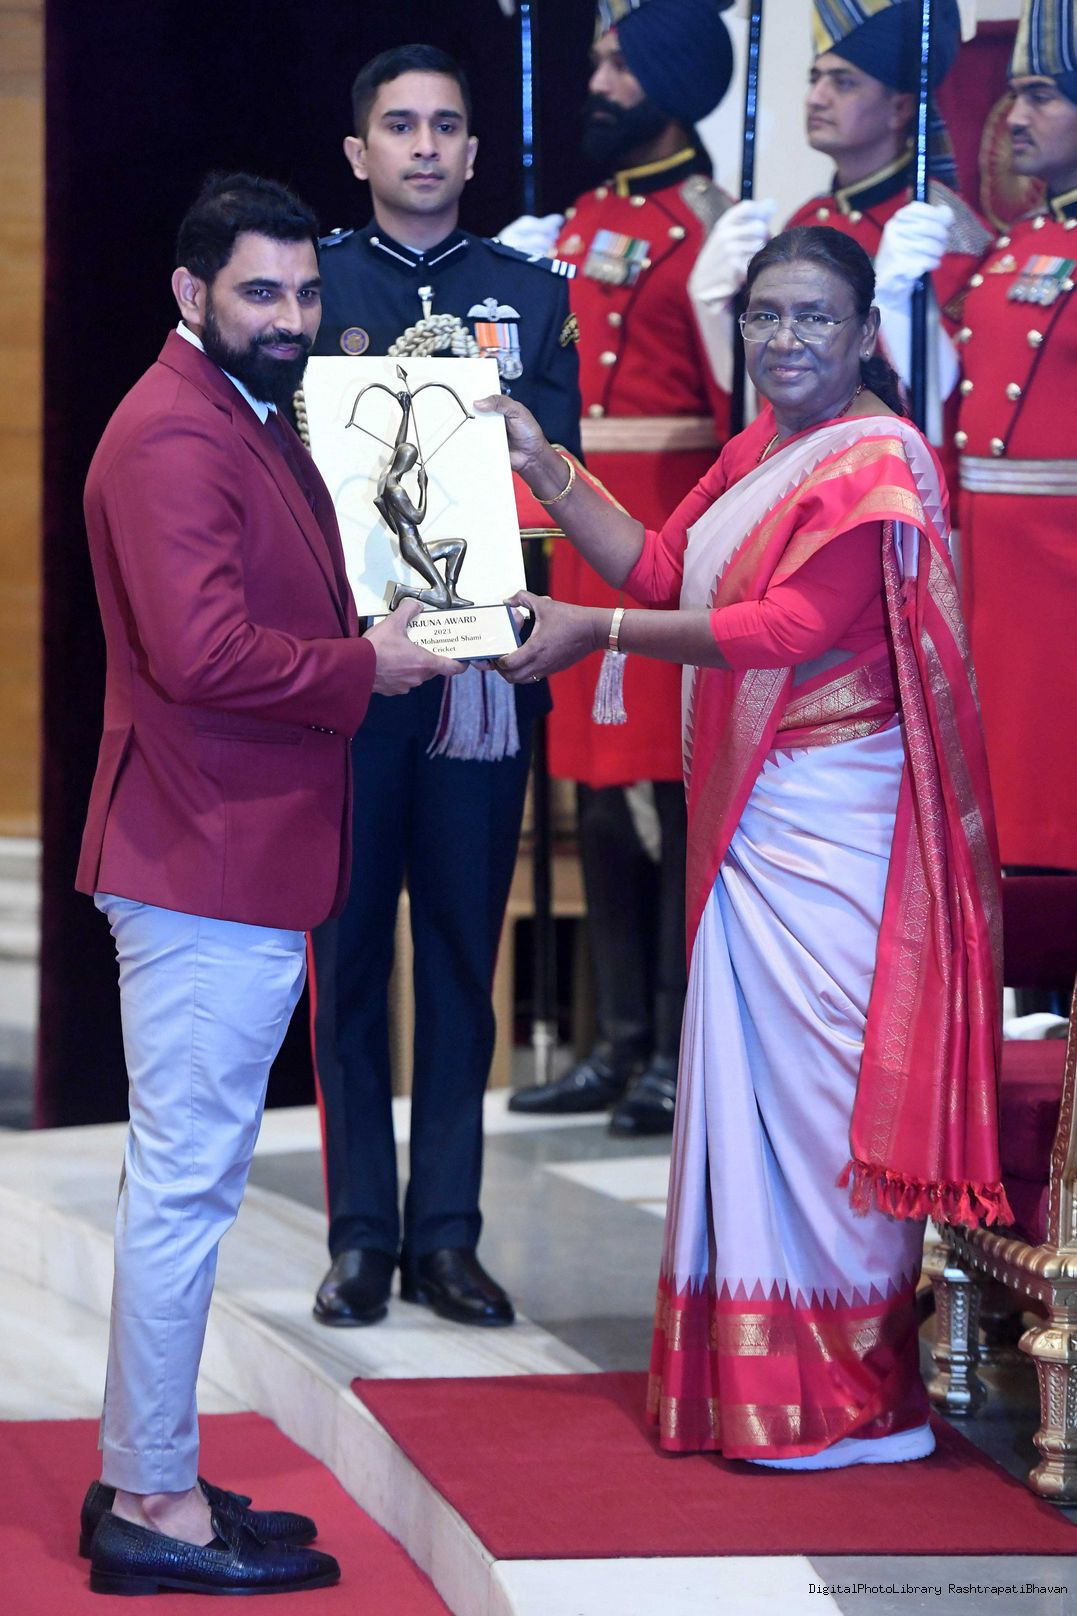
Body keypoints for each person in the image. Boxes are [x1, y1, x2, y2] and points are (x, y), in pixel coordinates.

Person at [482, 225, 1007, 1468]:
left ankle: (858, 1398)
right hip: (760, 814)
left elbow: (784, 629)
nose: (785, 339)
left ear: (866, 332)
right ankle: (765, 1389)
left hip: (837, 821)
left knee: (823, 1103)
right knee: (756, 1095)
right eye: (766, 315)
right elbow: (666, 568)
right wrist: (544, 463)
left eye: (814, 317)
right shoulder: (758, 447)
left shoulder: (878, 462)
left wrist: (595, 632)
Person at [74, 172, 456, 1595]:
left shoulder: (237, 408)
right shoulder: (177, 431)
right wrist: (371, 664)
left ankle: (151, 1469)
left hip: (221, 849)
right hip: (199, 856)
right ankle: (152, 1506)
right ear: (192, 293)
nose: (291, 317)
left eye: (304, 290)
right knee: (182, 1193)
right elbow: (202, 655)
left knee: (187, 1184)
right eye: (259, 292)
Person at [308, 44, 582, 1333]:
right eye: (400, 125)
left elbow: (562, 475)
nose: (424, 145)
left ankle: (449, 1234)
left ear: (475, 152)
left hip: (482, 674)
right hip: (356, 671)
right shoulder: (314, 283)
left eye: (446, 126)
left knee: (465, 954)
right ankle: (362, 1234)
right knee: (351, 954)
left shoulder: (530, 292)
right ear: (358, 151)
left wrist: (532, 444)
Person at [506, 0, 735, 1136]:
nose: (596, 81)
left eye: (618, 63)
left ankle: (679, 1043)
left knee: (672, 795)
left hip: (666, 535)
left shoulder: (712, 225)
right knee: (598, 795)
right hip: (582, 530)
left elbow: (737, 411)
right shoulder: (584, 216)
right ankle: (619, 1040)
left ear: (672, 83)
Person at [691, 0, 990, 492]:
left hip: (891, 486)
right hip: (797, 479)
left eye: (843, 82)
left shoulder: (942, 226)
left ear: (900, 108)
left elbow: (949, 404)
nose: (816, 97)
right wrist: (714, 305)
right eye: (815, 78)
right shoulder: (808, 219)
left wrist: (900, 307)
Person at [949, 0, 1077, 872]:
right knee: (1010, 827)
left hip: (1063, 575)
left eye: (1040, 95)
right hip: (997, 574)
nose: (1013, 116)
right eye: (1013, 93)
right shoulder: (1014, 241)